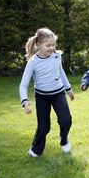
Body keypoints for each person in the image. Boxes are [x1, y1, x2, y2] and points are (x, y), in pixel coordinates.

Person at [19, 28, 74, 157]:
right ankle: (35, 150)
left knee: (66, 120)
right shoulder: (33, 62)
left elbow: (61, 72)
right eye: (48, 45)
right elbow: (23, 84)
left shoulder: (57, 56)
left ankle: (64, 138)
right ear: (38, 45)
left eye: (53, 45)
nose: (51, 48)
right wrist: (25, 101)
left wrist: (69, 89)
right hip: (42, 97)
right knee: (44, 128)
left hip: (58, 94)